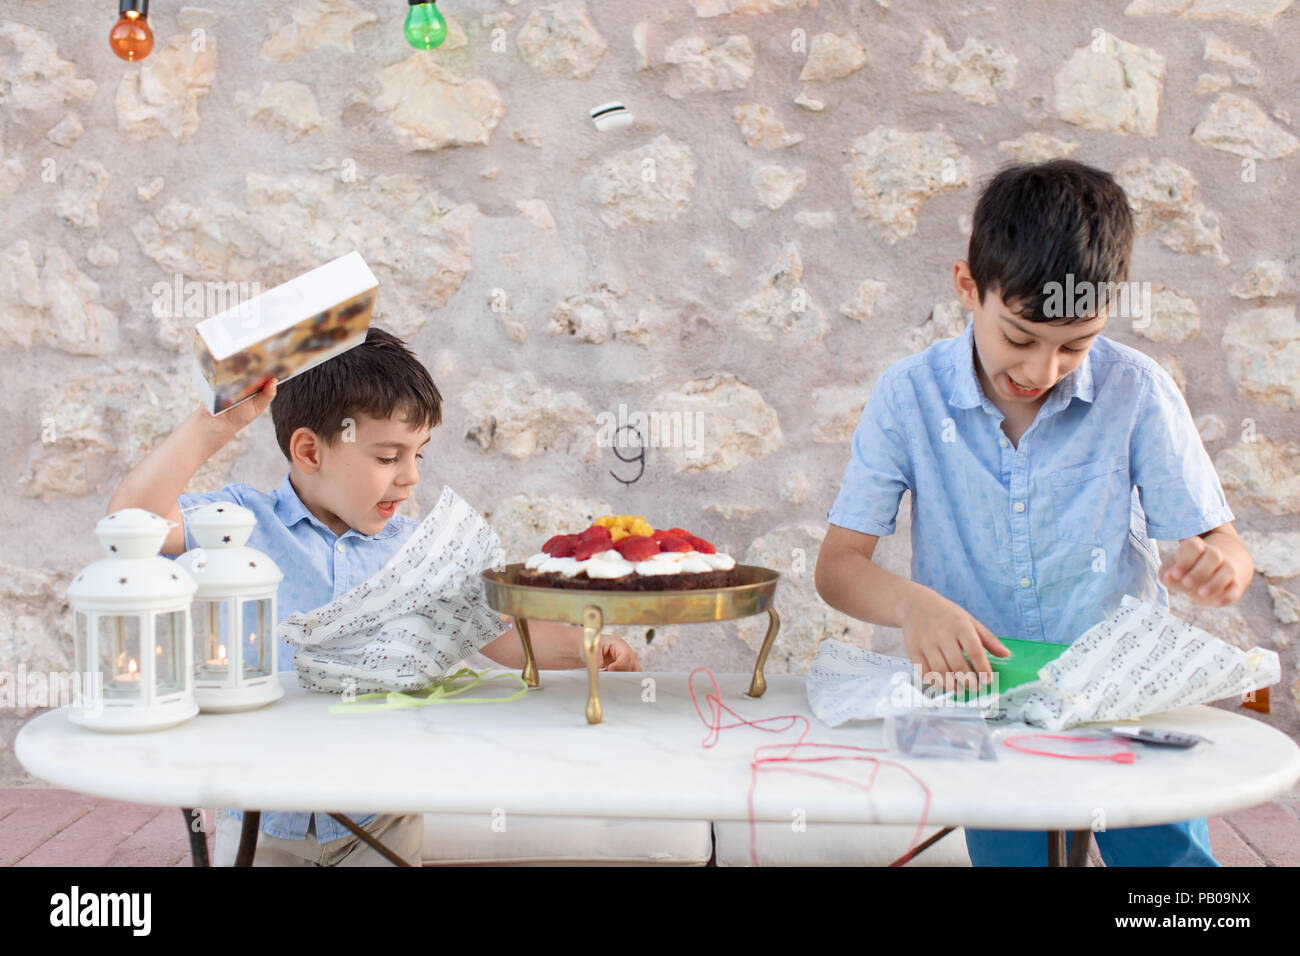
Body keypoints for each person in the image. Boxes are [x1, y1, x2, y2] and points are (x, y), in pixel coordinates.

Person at [814, 159, 1254, 867]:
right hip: (983, 704)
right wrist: (912, 607)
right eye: (1020, 338)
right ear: (968, 287)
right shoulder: (908, 397)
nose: (1042, 370)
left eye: (1075, 346)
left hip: (1119, 698)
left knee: (1176, 881)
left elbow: (1224, 547)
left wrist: (1223, 567)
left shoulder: (1137, 390)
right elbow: (837, 567)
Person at [106, 326, 639, 866]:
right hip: (258, 815)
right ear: (310, 450)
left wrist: (587, 648)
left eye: (418, 456)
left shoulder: (419, 554)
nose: (409, 478)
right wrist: (211, 426)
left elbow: (505, 633)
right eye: (388, 457)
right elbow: (131, 523)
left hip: (380, 818)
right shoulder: (239, 525)